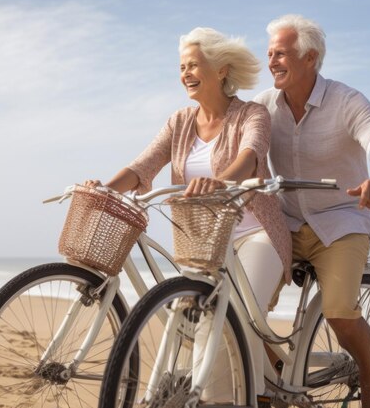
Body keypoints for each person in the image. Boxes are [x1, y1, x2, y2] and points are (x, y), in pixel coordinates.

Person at [85, 27, 291, 400]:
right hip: (204, 240)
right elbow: (142, 166)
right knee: (195, 324)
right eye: (182, 67)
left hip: (256, 233)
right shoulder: (179, 121)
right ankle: (256, 384)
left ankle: (233, 398)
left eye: (194, 65)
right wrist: (104, 188)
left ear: (221, 70)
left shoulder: (252, 114)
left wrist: (220, 182)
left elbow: (250, 155)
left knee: (231, 321)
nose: (185, 74)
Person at [254, 15, 370, 408]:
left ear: (310, 57)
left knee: (338, 312)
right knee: (240, 304)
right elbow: (238, 143)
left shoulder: (346, 100)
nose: (272, 61)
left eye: (281, 54)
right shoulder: (264, 106)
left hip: (341, 222)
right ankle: (275, 380)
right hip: (284, 223)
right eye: (269, 54)